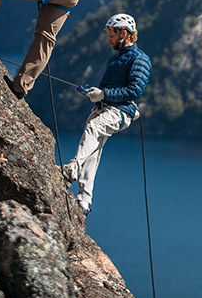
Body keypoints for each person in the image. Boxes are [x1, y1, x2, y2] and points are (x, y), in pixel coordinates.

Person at [61, 13, 152, 214]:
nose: (109, 40)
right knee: (93, 150)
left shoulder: (140, 59)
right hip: (105, 108)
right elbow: (109, 88)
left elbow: (135, 91)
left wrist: (103, 93)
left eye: (112, 35)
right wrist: (95, 94)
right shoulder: (115, 59)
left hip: (121, 112)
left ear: (124, 34)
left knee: (94, 128)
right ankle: (84, 200)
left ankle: (73, 169)